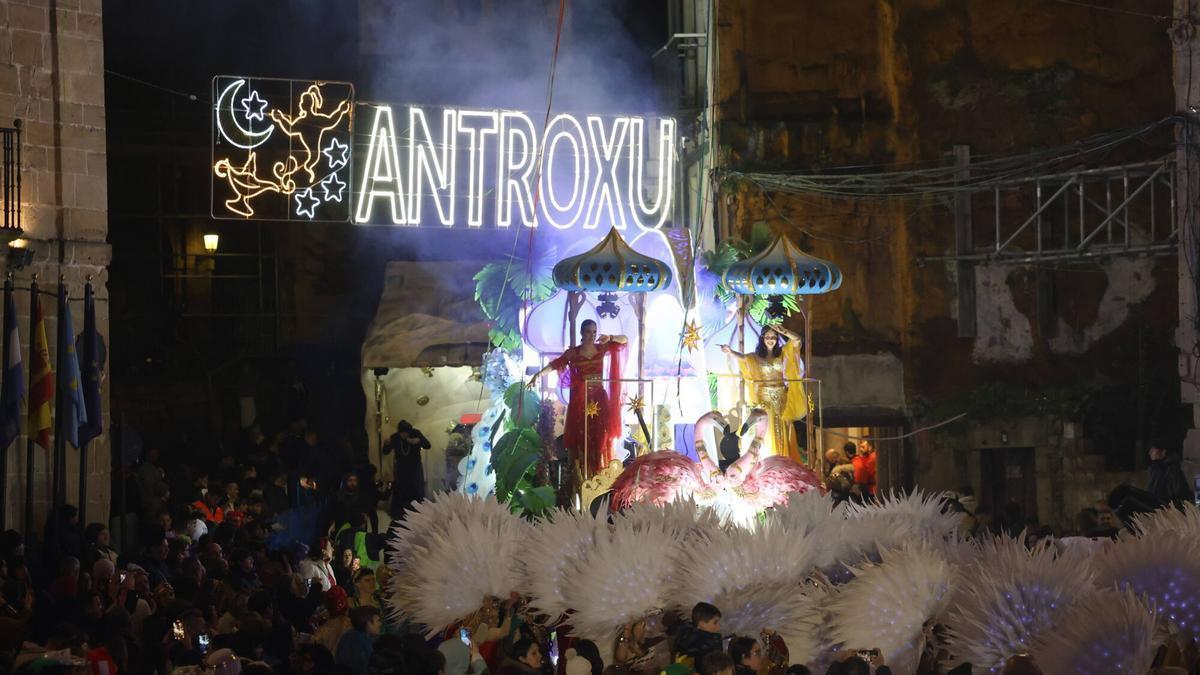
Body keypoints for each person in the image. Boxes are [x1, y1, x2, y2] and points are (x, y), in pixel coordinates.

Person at [528, 320, 628, 476]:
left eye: (594, 332)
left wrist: (610, 337)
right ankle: (582, 476)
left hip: (599, 399)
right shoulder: (573, 353)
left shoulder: (601, 348)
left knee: (601, 437)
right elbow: (555, 365)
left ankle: (599, 474)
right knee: (582, 438)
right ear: (581, 332)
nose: (592, 335)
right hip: (581, 401)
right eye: (588, 331)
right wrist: (538, 374)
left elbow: (624, 340)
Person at [721, 326, 807, 461]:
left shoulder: (782, 354)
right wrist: (730, 352)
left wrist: (784, 331)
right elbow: (744, 359)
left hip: (781, 396)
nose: (770, 340)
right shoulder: (755, 357)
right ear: (762, 339)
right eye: (767, 337)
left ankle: (784, 459)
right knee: (767, 427)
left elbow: (797, 340)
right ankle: (768, 460)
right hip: (764, 398)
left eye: (773, 337)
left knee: (783, 426)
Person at [383, 420, 431, 517]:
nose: (404, 435)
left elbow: (428, 445)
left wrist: (419, 441)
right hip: (401, 470)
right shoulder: (395, 437)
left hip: (415, 468)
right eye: (402, 433)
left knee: (416, 490)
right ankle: (400, 515)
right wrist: (386, 444)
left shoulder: (416, 433)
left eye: (406, 433)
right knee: (400, 491)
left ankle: (418, 514)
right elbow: (385, 451)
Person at [336, 605, 382, 675]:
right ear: (368, 623)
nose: (380, 624)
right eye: (378, 621)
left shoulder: (349, 636)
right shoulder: (359, 643)